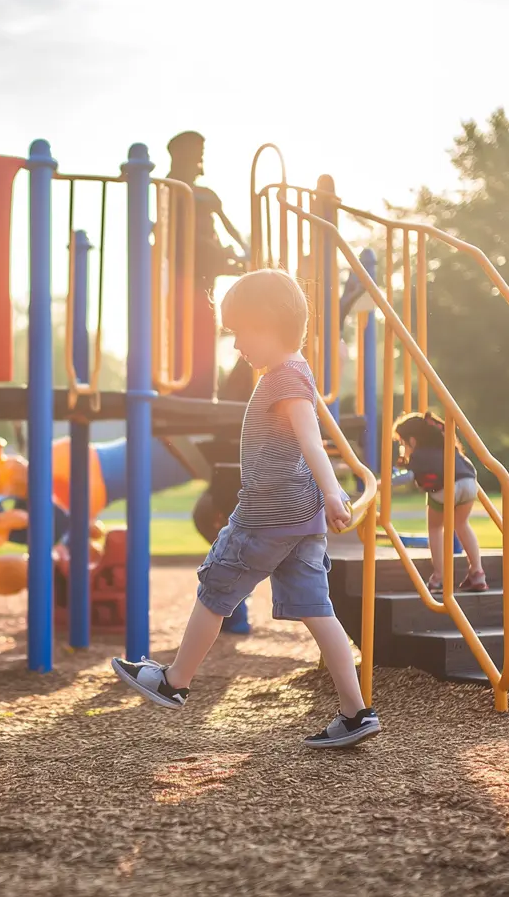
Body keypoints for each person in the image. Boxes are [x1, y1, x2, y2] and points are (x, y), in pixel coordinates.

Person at [110, 269, 381, 748]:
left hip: (265, 516)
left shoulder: (287, 380)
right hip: (300, 518)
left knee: (215, 588)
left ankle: (174, 682)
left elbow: (311, 442)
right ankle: (356, 712)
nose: (236, 347)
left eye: (240, 333)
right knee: (319, 610)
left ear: (269, 324)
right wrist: (328, 495)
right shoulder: (295, 369)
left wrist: (335, 489)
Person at [166, 131, 247, 400]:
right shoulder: (171, 188)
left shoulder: (203, 194)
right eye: (195, 154)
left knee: (202, 327)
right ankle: (186, 390)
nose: (199, 159)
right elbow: (172, 232)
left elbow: (227, 225)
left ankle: (201, 391)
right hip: (184, 267)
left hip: (203, 271)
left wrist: (246, 252)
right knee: (184, 329)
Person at [393, 411, 486, 592]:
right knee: (462, 524)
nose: (403, 448)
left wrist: (385, 484)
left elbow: (408, 476)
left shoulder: (419, 455)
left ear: (412, 440)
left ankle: (439, 577)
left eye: (403, 443)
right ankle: (478, 572)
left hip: (445, 488)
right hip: (469, 483)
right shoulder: (447, 446)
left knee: (435, 528)